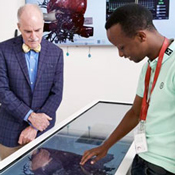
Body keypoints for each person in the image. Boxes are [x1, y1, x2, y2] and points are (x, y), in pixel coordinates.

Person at [80, 3, 175, 175]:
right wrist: (106, 146)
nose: (120, 54)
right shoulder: (148, 67)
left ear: (141, 36)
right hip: (142, 160)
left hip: (164, 167)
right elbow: (135, 113)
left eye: (122, 47)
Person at [0, 4, 63, 160]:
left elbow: (57, 94)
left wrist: (35, 126)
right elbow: (2, 91)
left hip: (43, 130)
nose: (34, 37)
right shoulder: (2, 50)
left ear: (43, 25)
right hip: (10, 132)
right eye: (28, 31)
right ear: (19, 27)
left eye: (38, 30)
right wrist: (30, 116)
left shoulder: (56, 53)